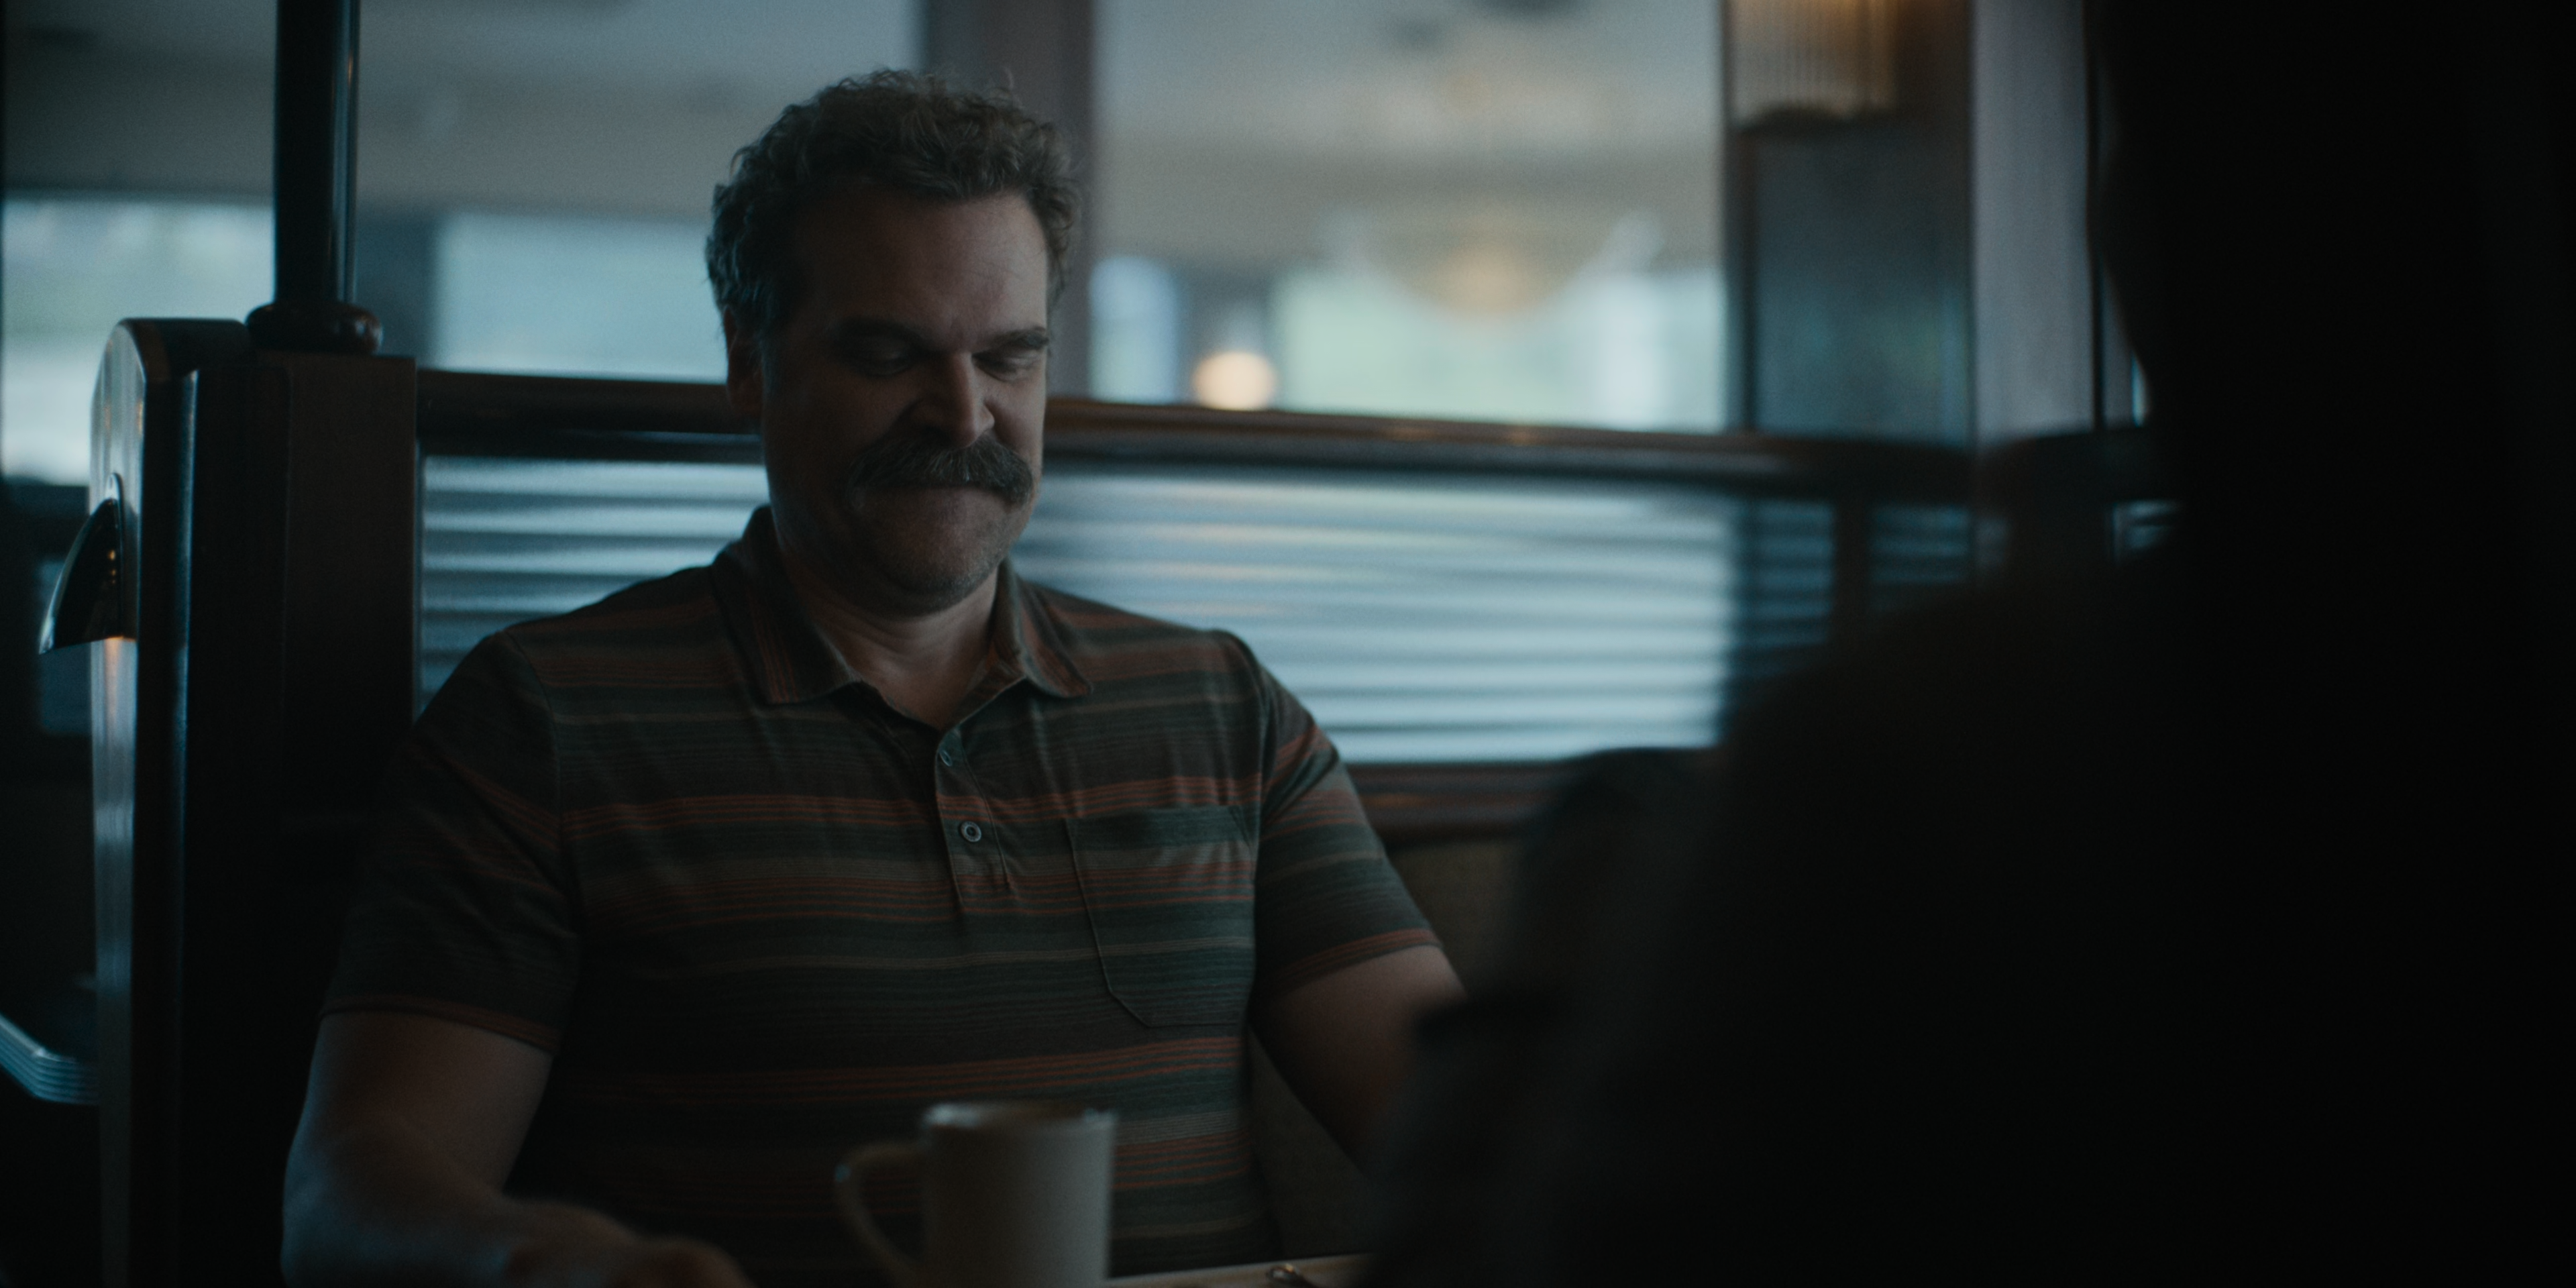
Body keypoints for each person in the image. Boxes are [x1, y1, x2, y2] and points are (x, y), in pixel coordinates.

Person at [281, 71, 1462, 1288]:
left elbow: (1465, 1131)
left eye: (1009, 358)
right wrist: (559, 1266)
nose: (965, 416)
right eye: (891, 354)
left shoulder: (1222, 710)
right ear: (750, 362)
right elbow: (346, 1198)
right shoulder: (543, 719)